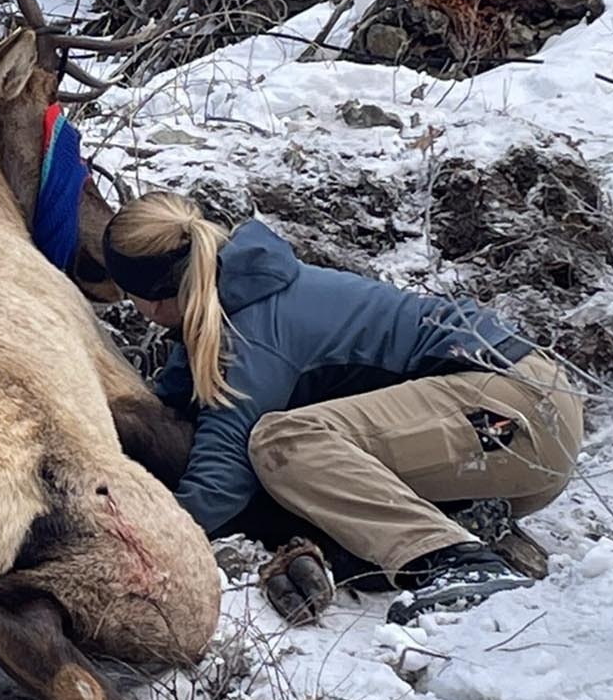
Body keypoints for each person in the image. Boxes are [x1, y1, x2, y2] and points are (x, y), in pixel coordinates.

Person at [100, 192, 585, 625]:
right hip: (501, 435)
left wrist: (148, 539)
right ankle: (461, 524)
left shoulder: (251, 331)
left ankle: (455, 560)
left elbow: (222, 479)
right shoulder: (230, 296)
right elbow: (175, 410)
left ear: (149, 298)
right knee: (296, 474)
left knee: (283, 443)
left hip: (514, 407)